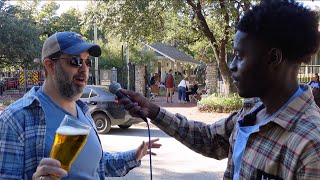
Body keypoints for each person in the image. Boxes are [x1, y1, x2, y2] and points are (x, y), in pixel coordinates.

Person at [119, 1, 320, 179]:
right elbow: (209, 139)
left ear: (273, 58)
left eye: (240, 56)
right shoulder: (252, 112)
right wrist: (153, 111)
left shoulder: (310, 147)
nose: (232, 65)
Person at [0, 31, 161, 179]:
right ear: (50, 65)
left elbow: (95, 164)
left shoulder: (83, 110)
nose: (84, 69)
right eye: (75, 61)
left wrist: (134, 156)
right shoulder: (15, 119)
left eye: (87, 62)